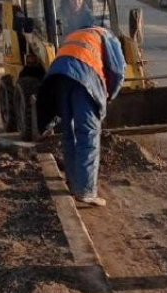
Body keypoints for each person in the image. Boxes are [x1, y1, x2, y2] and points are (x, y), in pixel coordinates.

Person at [39, 25, 126, 207]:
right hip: (84, 80)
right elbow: (117, 71)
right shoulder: (108, 37)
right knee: (88, 135)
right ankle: (86, 191)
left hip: (59, 78)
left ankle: (73, 183)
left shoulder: (75, 34)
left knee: (69, 134)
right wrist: (110, 95)